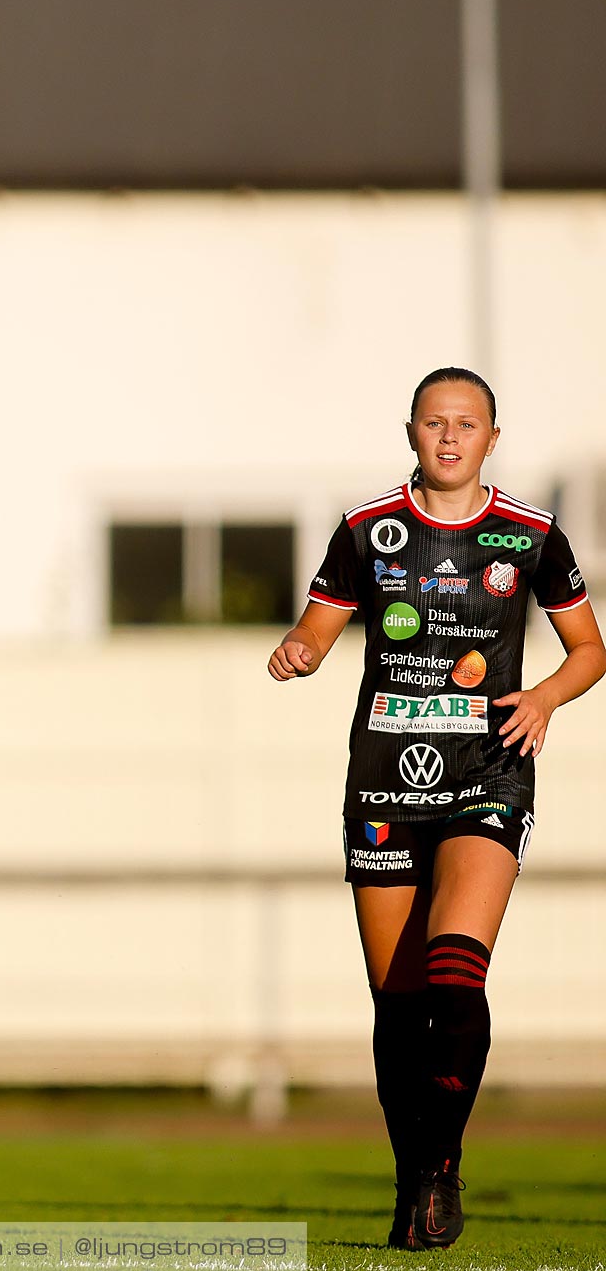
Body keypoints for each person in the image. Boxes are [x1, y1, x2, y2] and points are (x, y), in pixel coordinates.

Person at [268, 367, 603, 1251]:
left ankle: (440, 1168)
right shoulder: (365, 530)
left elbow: (588, 650)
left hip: (490, 768)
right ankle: (411, 1167)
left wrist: (543, 699)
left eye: (467, 424)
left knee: (457, 973)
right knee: (398, 1001)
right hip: (384, 776)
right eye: (433, 423)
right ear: (410, 432)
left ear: (494, 437)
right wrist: (301, 648)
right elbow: (319, 623)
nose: (449, 438)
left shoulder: (530, 535)